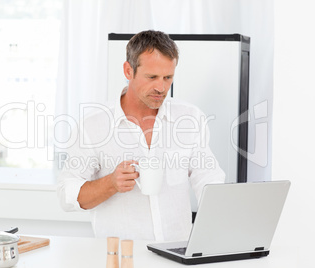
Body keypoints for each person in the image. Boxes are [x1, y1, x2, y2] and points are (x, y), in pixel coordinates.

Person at [57, 30, 225, 241]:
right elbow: (67, 195)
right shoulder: (92, 126)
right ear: (128, 71)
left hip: (176, 255)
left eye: (168, 77)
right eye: (152, 77)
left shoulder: (190, 118)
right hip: (120, 257)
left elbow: (208, 179)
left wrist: (223, 228)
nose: (161, 87)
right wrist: (111, 183)